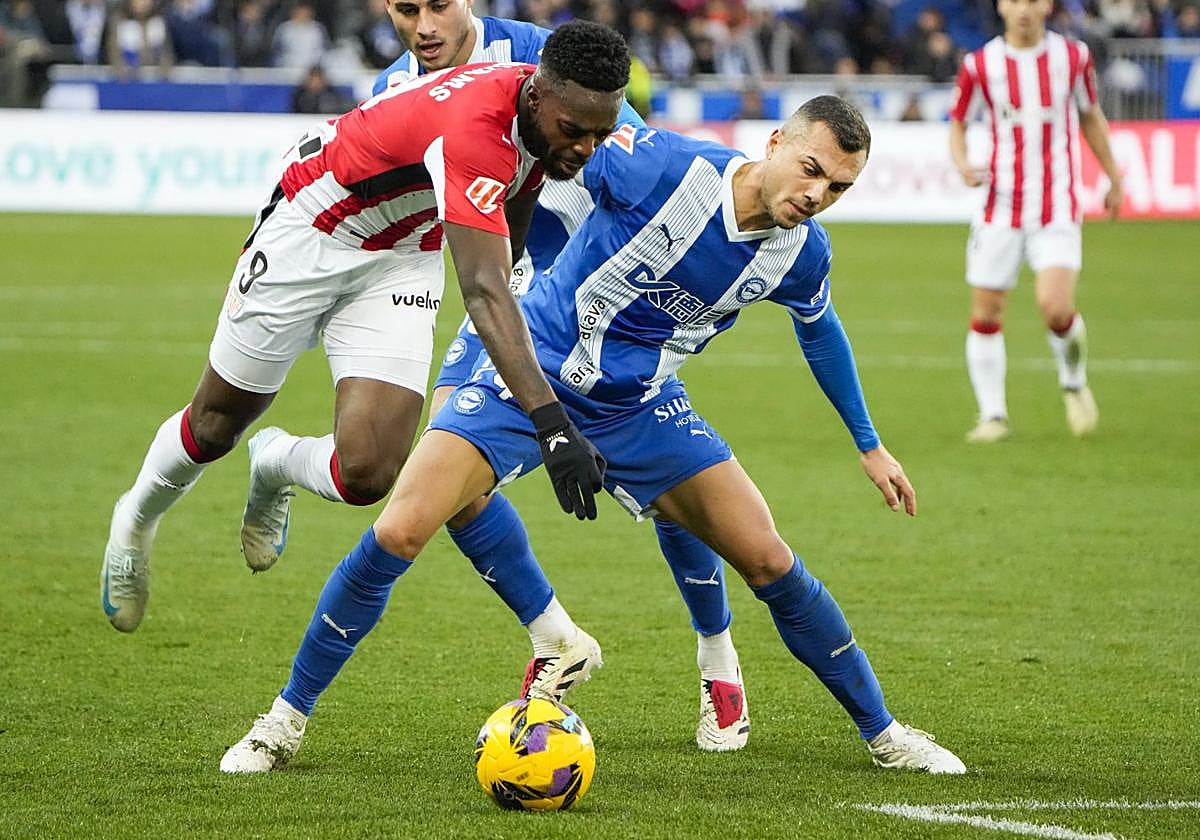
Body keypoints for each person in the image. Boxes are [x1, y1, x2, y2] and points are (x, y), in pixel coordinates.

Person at [220, 95, 967, 776]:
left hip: (638, 405)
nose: (815, 195)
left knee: (770, 558)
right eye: (810, 170)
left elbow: (822, 332)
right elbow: (544, 157)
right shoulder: (664, 166)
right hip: (529, 379)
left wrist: (869, 444)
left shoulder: (802, 254)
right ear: (775, 143)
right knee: (403, 525)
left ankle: (885, 734)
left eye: (837, 188)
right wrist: (506, 253)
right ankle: (282, 723)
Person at [101, 22, 626, 654]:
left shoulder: (538, 114)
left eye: (601, 132)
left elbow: (517, 207)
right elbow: (483, 292)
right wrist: (553, 423)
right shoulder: (475, 131)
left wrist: (518, 279)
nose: (586, 149)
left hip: (402, 254)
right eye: (576, 132)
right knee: (214, 425)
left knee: (370, 471)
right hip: (314, 225)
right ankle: (134, 519)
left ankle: (276, 462)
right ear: (540, 96)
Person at [948, 0, 1123, 443]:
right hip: (999, 207)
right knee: (986, 313)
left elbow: (1090, 117)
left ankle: (1073, 381)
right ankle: (993, 415)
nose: (1023, 9)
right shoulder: (980, 63)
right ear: (1001, 7)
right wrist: (964, 163)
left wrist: (1114, 177)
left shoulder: (1073, 57)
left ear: (1047, 5)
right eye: (1013, 0)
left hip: (1056, 205)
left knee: (1056, 308)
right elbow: (958, 123)